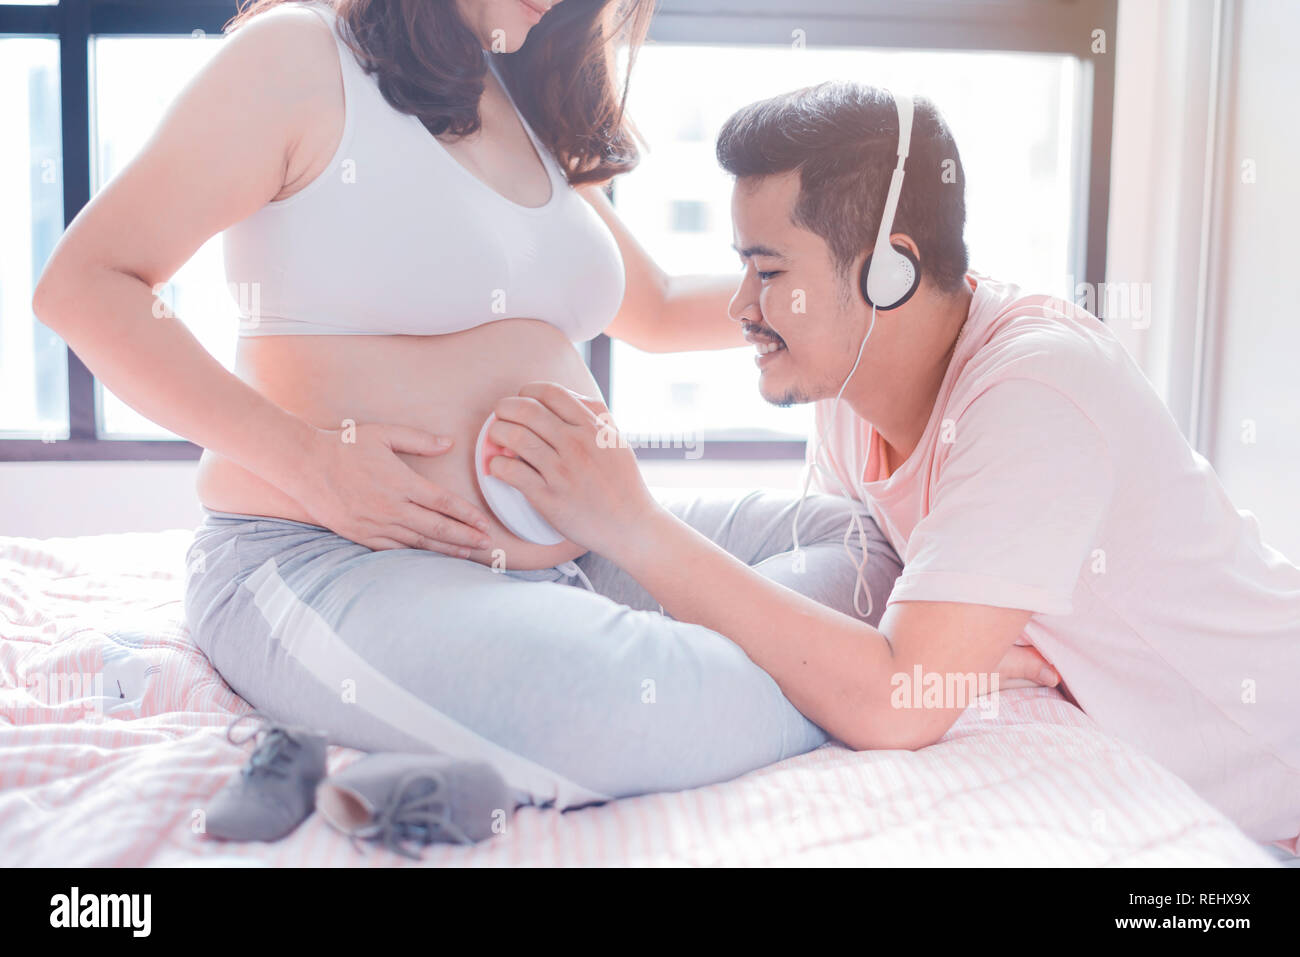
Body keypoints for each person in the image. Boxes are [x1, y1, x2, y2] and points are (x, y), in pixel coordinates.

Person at [31, 0, 1058, 809]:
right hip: (322, 555)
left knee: (863, 548)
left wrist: (915, 301)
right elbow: (87, 285)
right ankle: (821, 695)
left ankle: (675, 684)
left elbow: (650, 308)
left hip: (568, 548)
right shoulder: (300, 58)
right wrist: (308, 459)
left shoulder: (517, 101)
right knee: (627, 709)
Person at [489, 81, 1300, 849]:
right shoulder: (854, 386)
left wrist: (636, 525)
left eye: (768, 272)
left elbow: (893, 699)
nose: (741, 306)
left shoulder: (1037, 391)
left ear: (890, 271)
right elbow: (859, 635)